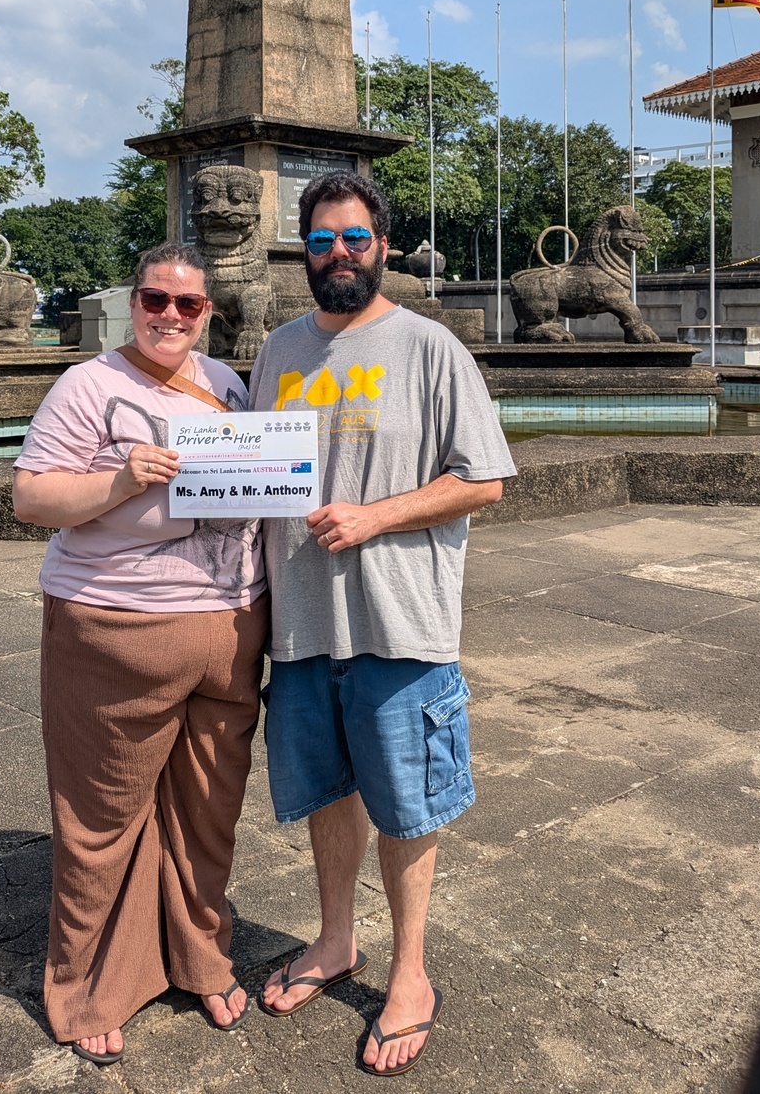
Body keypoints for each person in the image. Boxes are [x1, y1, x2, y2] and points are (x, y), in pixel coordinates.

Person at [248, 173, 516, 1076]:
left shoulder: (431, 347)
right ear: (304, 251)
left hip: (400, 620)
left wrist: (374, 516)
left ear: (383, 248)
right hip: (300, 621)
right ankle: (335, 941)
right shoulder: (279, 349)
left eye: (355, 239)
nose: (339, 255)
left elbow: (483, 479)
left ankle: (411, 973)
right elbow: (250, 470)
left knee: (407, 802)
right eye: (322, 241)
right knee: (328, 790)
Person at [12, 244, 266, 1066]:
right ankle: (87, 985)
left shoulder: (227, 385)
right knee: (102, 819)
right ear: (134, 302)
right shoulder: (88, 385)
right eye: (156, 299)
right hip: (116, 629)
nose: (170, 315)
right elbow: (31, 496)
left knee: (208, 813)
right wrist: (119, 482)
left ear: (207, 313)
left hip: (230, 630)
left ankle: (201, 956)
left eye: (188, 304)